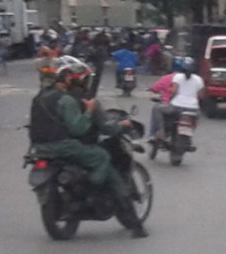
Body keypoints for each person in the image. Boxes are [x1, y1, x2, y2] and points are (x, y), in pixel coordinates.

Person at [28, 63, 148, 238]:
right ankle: (136, 226)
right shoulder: (79, 101)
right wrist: (94, 112)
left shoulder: (44, 98)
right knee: (105, 162)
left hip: (41, 148)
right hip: (69, 148)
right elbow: (87, 128)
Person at [154, 57, 204, 143]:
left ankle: (161, 132)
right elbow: (200, 96)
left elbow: (174, 91)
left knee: (157, 108)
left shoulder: (177, 77)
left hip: (176, 107)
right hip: (193, 109)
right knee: (195, 120)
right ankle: (190, 135)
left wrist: (168, 90)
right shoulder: (199, 79)